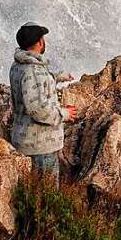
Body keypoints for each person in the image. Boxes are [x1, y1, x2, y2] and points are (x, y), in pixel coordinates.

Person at [9, 22, 77, 184]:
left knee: (32, 193)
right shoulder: (33, 71)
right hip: (40, 145)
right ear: (40, 42)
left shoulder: (19, 65)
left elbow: (33, 86)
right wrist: (64, 114)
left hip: (26, 140)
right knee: (47, 194)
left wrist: (56, 76)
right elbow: (38, 108)